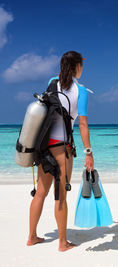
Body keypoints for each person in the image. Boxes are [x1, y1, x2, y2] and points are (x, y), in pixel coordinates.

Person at [26, 51, 94, 252]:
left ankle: (32, 237)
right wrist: (88, 152)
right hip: (62, 148)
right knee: (61, 195)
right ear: (77, 67)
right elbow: (82, 124)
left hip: (44, 146)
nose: (83, 68)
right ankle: (63, 243)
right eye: (82, 64)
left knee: (41, 192)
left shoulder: (52, 82)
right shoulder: (81, 92)